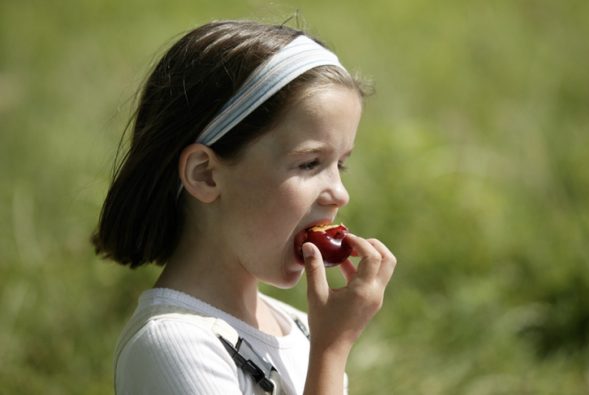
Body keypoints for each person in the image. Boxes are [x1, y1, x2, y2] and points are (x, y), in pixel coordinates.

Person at [92, 19, 396, 394]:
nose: (339, 193)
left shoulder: (299, 327)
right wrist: (331, 351)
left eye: (340, 164)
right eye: (309, 163)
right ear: (205, 174)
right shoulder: (173, 346)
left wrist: (326, 345)